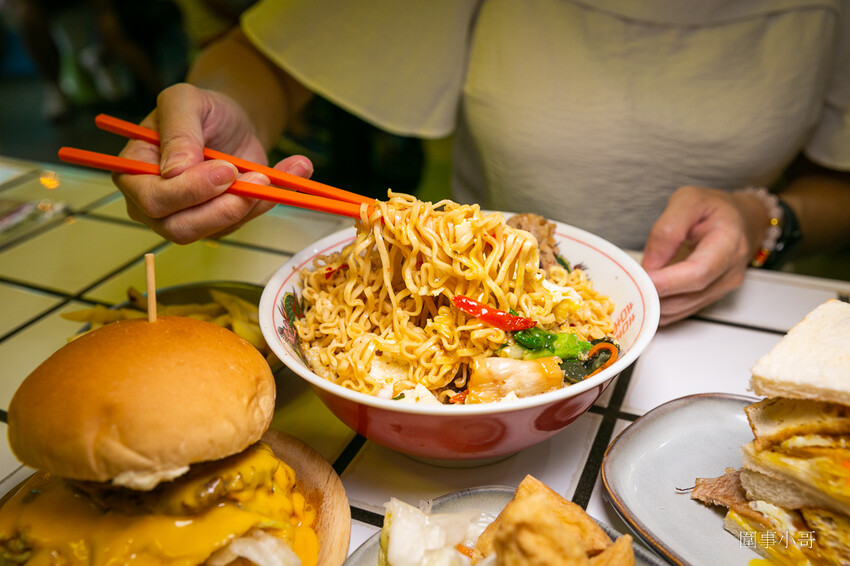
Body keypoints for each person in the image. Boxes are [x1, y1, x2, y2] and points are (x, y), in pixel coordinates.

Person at [112, 0, 850, 326]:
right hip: (431, 298)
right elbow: (263, 63)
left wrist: (766, 217)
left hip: (728, 320)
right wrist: (214, 109)